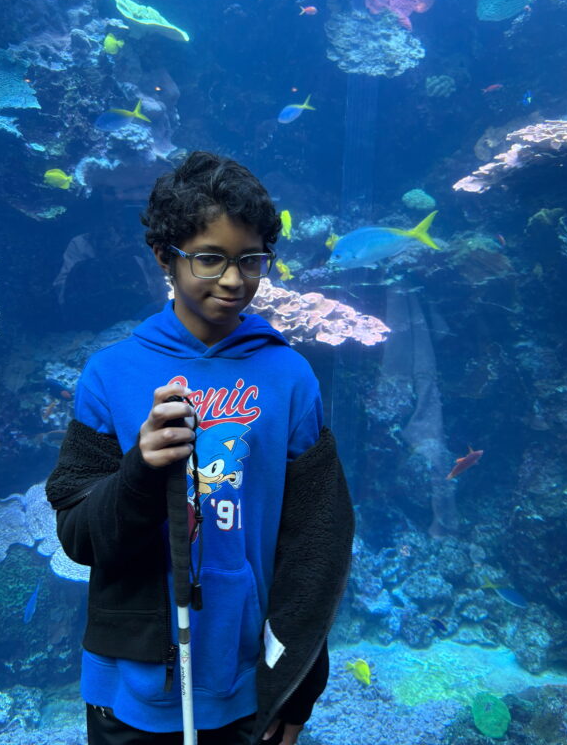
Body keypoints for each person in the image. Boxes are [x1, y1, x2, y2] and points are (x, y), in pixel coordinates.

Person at [46, 151, 354, 745]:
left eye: (252, 259)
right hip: (126, 688)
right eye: (210, 258)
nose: (235, 280)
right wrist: (140, 467)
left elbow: (319, 540)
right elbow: (78, 536)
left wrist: (298, 687)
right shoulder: (111, 374)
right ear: (165, 257)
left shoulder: (290, 377)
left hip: (246, 688)